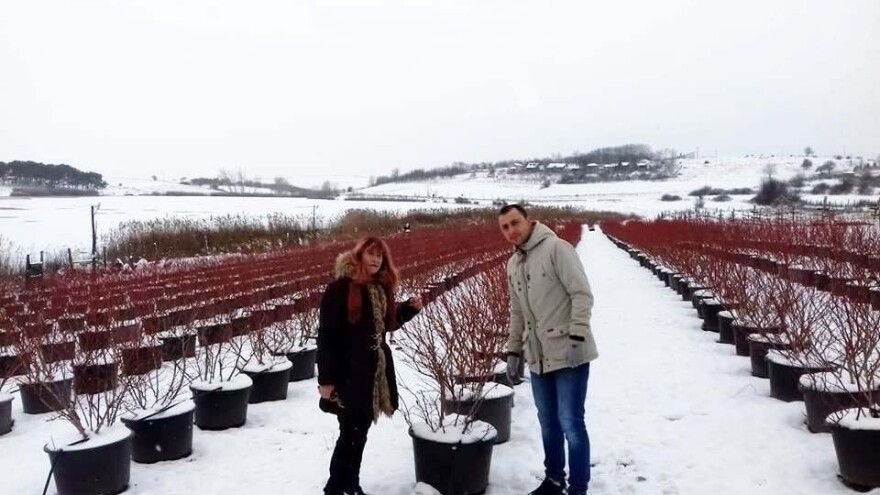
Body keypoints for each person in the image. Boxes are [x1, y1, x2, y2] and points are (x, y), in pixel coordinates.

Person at [498, 204, 598, 495]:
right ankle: (554, 479)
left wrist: (578, 338)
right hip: (537, 357)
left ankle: (578, 488)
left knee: (571, 422)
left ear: (529, 221)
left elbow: (582, 295)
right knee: (548, 423)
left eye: (515, 222)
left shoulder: (558, 248)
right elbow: (516, 312)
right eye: (504, 227)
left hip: (569, 352)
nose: (511, 230)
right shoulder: (513, 264)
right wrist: (513, 350)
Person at [316, 236, 423, 495]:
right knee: (350, 432)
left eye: (380, 255)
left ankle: (350, 484)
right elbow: (327, 336)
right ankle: (336, 487)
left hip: (372, 374)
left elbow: (384, 323)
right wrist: (326, 380)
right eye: (370, 253)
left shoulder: (380, 287)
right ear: (359, 256)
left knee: (359, 431)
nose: (375, 259)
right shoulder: (339, 289)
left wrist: (407, 310)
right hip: (348, 372)